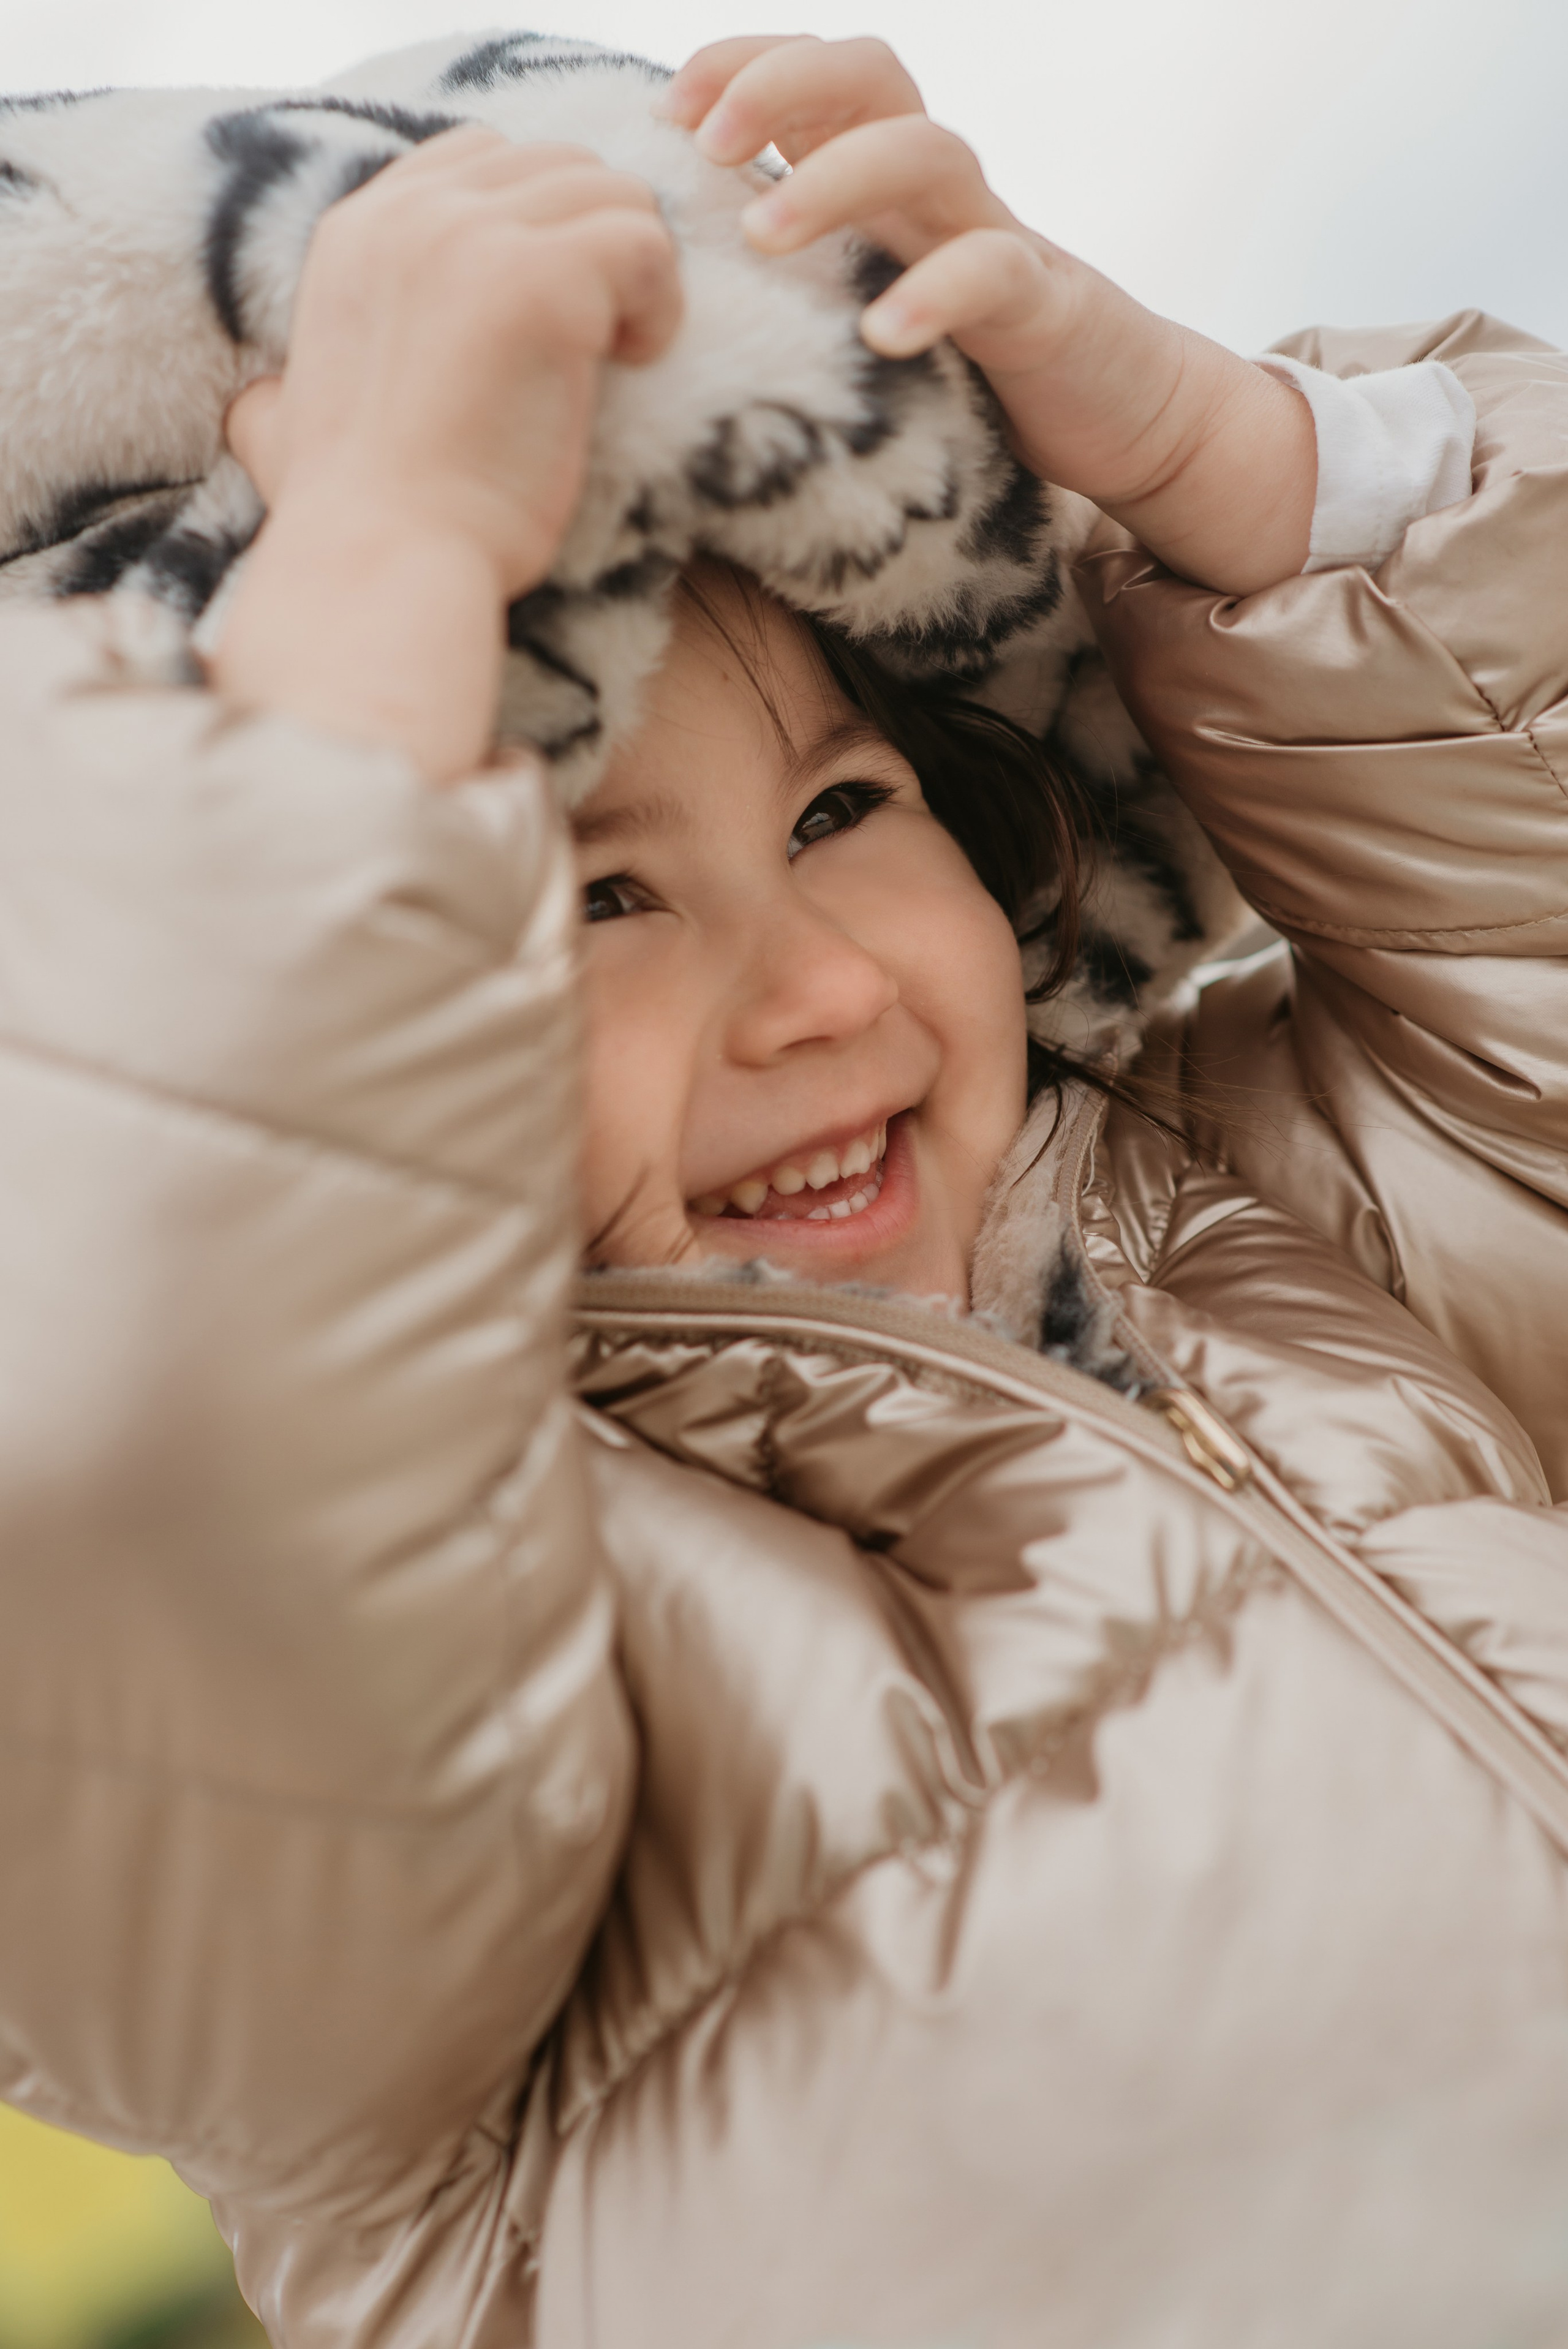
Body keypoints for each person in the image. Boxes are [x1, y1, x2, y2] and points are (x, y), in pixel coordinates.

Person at [2, 30, 1567, 2348]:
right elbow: (138, 1409)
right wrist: (390, 551)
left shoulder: (1261, 1205)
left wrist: (1228, 456)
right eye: (593, 906)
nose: (817, 989)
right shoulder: (410, 1713)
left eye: (844, 809)